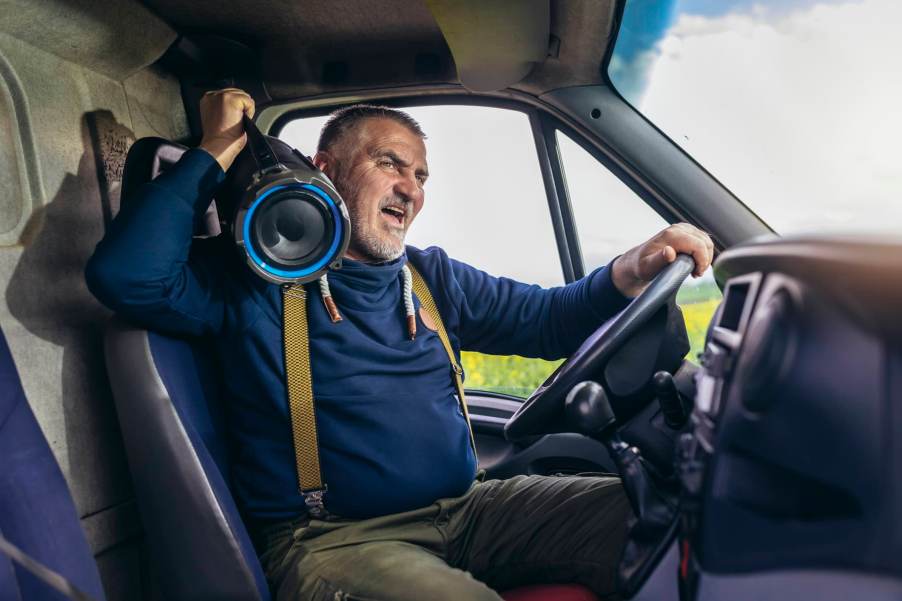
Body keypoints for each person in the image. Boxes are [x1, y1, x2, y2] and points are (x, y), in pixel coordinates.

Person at [86, 88, 713, 600]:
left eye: (420, 174)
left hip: (471, 512)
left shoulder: (430, 275)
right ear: (325, 172)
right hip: (340, 542)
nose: (411, 188)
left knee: (666, 516)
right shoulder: (255, 281)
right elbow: (127, 277)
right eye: (389, 162)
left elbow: (547, 320)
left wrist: (630, 268)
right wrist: (216, 147)